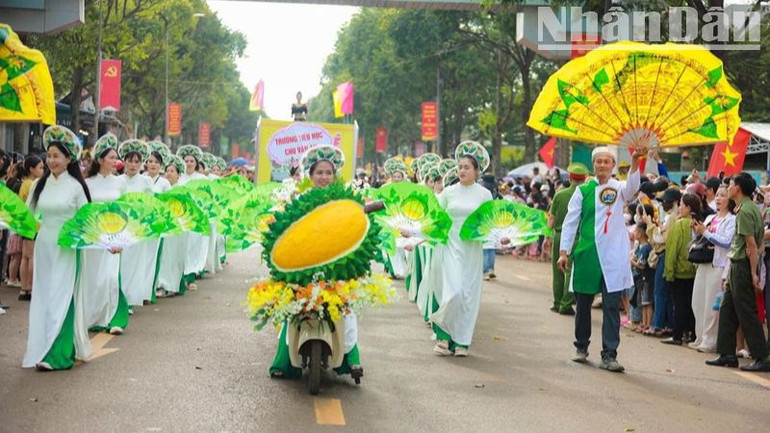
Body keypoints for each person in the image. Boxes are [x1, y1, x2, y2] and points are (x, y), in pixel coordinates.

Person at [269, 145, 363, 380]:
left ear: (335, 175)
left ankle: (350, 359)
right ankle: (285, 359)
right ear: (310, 176)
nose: (324, 177)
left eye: (328, 173)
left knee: (346, 308)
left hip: (336, 262)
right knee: (293, 305)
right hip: (304, 262)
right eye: (319, 172)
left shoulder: (344, 198)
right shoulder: (298, 199)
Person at [558, 146, 641, 372]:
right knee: (583, 304)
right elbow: (570, 221)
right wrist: (564, 251)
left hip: (613, 256)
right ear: (593, 165)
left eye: (607, 162)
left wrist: (635, 161)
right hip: (587, 253)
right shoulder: (583, 190)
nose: (602, 165)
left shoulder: (619, 188)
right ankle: (581, 347)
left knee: (611, 306)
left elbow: (634, 187)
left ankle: (609, 355)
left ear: (613, 166)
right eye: (599, 162)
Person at [22, 125, 92, 370]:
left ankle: (60, 354)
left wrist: (108, 244)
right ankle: (44, 348)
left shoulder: (76, 187)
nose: (51, 160)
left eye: (57, 156)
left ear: (68, 158)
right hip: (45, 247)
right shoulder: (39, 185)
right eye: (49, 155)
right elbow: (26, 217)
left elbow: (88, 221)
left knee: (62, 296)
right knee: (45, 297)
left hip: (67, 248)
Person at [431, 141, 496, 357]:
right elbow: (434, 220)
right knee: (454, 292)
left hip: (472, 250)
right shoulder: (448, 193)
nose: (461, 171)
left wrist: (500, 239)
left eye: (467, 167)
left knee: (469, 297)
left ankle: (461, 342)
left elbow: (490, 223)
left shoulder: (484, 195)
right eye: (459, 167)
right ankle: (442, 334)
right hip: (451, 246)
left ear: (477, 171)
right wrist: (414, 235)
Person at [707, 173, 770, 371]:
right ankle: (727, 353)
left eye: (731, 184)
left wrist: (753, 272)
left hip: (743, 265)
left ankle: (762, 356)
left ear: (738, 188)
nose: (729, 187)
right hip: (737, 263)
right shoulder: (747, 208)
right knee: (727, 310)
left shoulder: (744, 212)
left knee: (747, 311)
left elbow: (751, 244)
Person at [81, 133, 128, 335]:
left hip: (113, 234)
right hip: (93, 236)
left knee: (110, 278)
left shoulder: (120, 183)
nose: (115, 161)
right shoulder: (87, 183)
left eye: (116, 157)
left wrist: (123, 236)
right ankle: (93, 317)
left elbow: (125, 210)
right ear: (100, 159)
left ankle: (114, 318)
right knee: (93, 278)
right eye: (111, 157)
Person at [690, 185, 735, 352]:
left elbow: (726, 242)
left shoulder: (732, 220)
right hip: (703, 263)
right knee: (698, 302)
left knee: (712, 305)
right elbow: (699, 238)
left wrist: (706, 233)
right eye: (717, 195)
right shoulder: (710, 218)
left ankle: (710, 341)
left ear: (729, 199)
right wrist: (696, 231)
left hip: (718, 265)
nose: (718, 198)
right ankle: (699, 337)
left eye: (723, 195)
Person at [548, 163, 589, 315]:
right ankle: (566, 304)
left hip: (559, 236)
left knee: (557, 271)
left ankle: (557, 302)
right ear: (584, 179)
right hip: (578, 237)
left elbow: (551, 220)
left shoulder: (559, 194)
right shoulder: (586, 195)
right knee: (571, 271)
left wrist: (548, 236)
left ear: (570, 178)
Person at [661, 193, 700, 345]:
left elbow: (672, 250)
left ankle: (677, 335)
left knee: (679, 305)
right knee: (692, 305)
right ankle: (692, 335)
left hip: (679, 272)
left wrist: (668, 272)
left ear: (688, 208)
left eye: (682, 205)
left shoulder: (679, 225)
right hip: (694, 271)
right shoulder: (698, 223)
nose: (680, 208)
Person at [155, 156, 188, 298]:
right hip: (164, 228)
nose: (168, 173)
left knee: (174, 257)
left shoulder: (181, 190)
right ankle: (162, 284)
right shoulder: (162, 187)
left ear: (179, 175)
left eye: (172, 171)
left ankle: (172, 285)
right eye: (167, 170)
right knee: (164, 257)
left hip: (178, 229)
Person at [18, 155, 44, 301]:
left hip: (25, 224)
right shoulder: (32, 184)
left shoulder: (24, 184)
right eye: (40, 167)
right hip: (35, 224)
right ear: (31, 169)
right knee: (32, 257)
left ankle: (24, 288)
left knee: (24, 257)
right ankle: (31, 287)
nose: (42, 170)